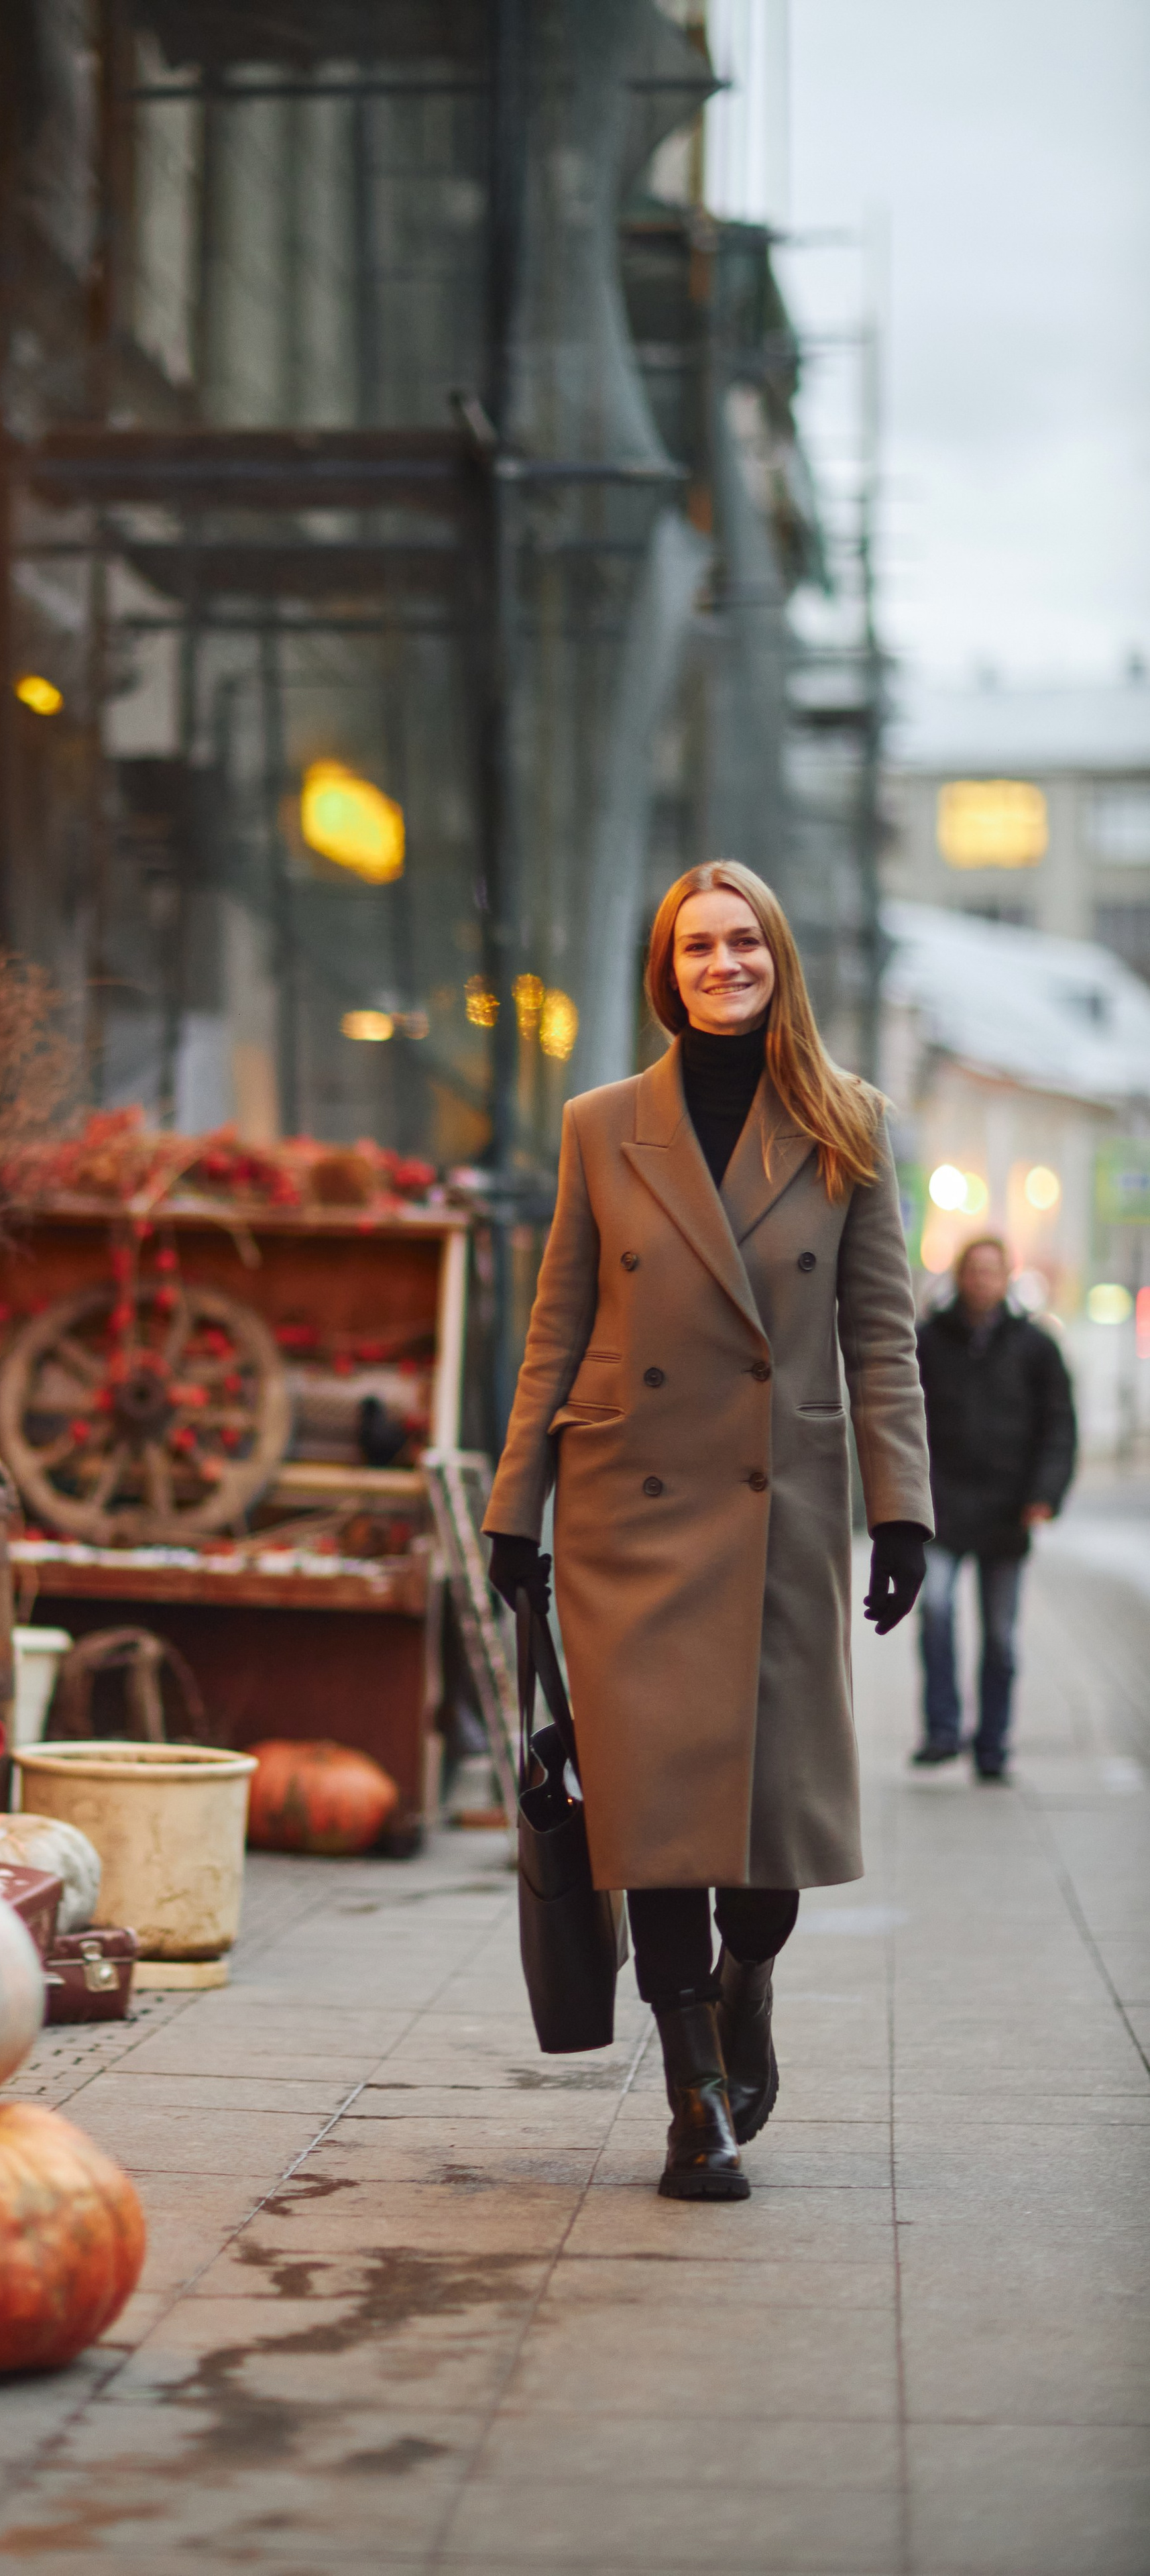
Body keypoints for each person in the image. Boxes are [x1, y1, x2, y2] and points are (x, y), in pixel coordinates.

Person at [484, 861, 932, 2202]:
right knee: (658, 1823)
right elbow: (556, 1325)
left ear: (775, 957)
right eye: (696, 947)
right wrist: (516, 1507)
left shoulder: (845, 1123)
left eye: (742, 942)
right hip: (630, 1506)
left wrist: (897, 1508)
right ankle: (692, 2103)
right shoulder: (599, 1124)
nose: (722, 963)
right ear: (664, 971)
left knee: (769, 1854)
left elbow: (878, 1337)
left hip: (778, 1510)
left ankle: (745, 1985)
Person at [912, 1235, 1076, 1780]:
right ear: (960, 1276)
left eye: (993, 1271)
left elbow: (1059, 1427)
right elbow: (903, 1420)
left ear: (1007, 1278)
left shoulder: (1035, 1346)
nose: (983, 1280)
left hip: (1007, 1511)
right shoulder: (928, 1341)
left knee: (1000, 1636)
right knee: (934, 1609)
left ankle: (992, 1745)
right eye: (974, 1271)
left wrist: (1043, 1496)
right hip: (941, 1508)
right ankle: (941, 1730)